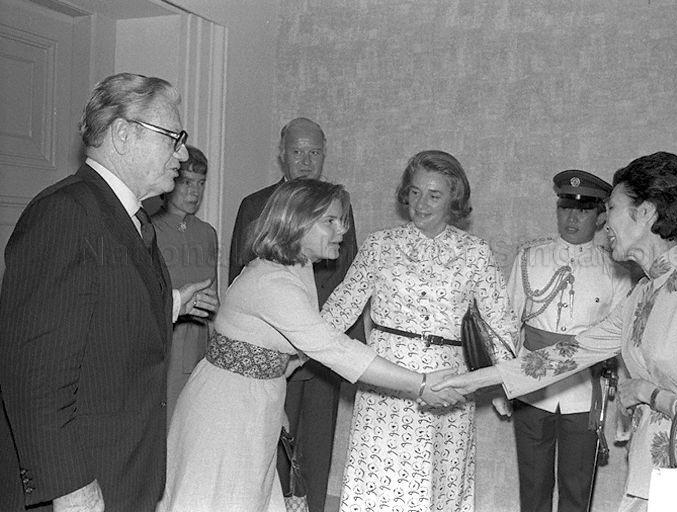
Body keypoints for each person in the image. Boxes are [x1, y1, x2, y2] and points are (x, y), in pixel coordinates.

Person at [434, 152, 677, 512]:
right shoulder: (644, 293)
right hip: (647, 479)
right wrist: (474, 380)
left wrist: (648, 393)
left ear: (645, 213)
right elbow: (568, 354)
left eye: (611, 208)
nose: (605, 221)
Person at [157, 179, 463, 512]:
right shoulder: (274, 282)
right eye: (330, 220)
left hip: (252, 403)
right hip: (225, 413)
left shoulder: (297, 267)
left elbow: (280, 349)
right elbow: (334, 348)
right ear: (296, 223)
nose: (342, 229)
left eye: (341, 219)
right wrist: (419, 384)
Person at [0, 73, 217, 512]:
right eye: (173, 138)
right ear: (122, 134)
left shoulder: (127, 216)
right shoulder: (66, 214)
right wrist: (71, 488)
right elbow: (32, 375)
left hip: (122, 471)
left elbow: (101, 307)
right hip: (80, 484)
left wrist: (172, 303)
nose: (181, 153)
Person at [320, 150, 519, 512]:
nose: (421, 203)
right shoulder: (381, 245)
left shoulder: (475, 252)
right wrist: (295, 350)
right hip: (386, 382)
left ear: (454, 199)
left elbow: (500, 323)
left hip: (449, 386)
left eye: (434, 195)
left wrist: (506, 383)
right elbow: (341, 307)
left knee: (439, 488)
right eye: (414, 192)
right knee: (382, 484)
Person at [229, 117, 363, 512]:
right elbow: (240, 274)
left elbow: (351, 277)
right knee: (268, 446)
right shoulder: (256, 206)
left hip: (323, 350)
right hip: (274, 352)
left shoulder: (340, 206)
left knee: (316, 452)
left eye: (314, 152)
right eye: (297, 151)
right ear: (281, 155)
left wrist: (350, 346)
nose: (305, 161)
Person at [500, 170, 631, 512]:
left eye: (584, 209)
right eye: (565, 207)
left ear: (601, 216)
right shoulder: (530, 258)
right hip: (532, 383)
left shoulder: (614, 269)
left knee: (577, 486)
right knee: (533, 483)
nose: (572, 217)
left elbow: (620, 338)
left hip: (583, 389)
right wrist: (504, 382)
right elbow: (508, 324)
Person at [152, 145, 219, 422]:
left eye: (201, 183)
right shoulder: (149, 229)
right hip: (163, 352)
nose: (195, 191)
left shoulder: (207, 234)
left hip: (200, 351)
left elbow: (214, 297)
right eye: (186, 182)